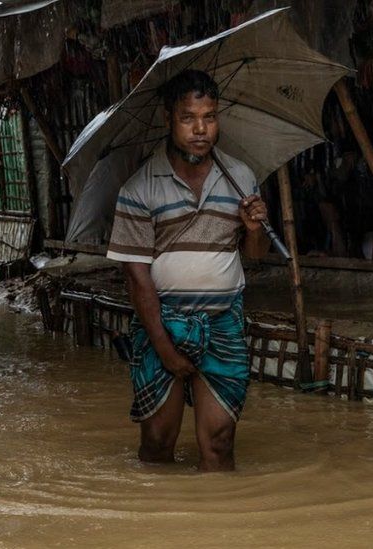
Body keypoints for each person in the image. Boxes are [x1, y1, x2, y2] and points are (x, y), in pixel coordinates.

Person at [106, 70, 269, 472]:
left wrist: (254, 229)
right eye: (188, 118)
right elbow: (136, 277)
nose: (201, 129)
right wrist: (163, 347)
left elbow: (256, 256)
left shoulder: (241, 177)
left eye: (209, 117)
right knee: (158, 443)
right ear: (168, 120)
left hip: (223, 323)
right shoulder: (139, 187)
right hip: (162, 323)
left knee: (219, 443)